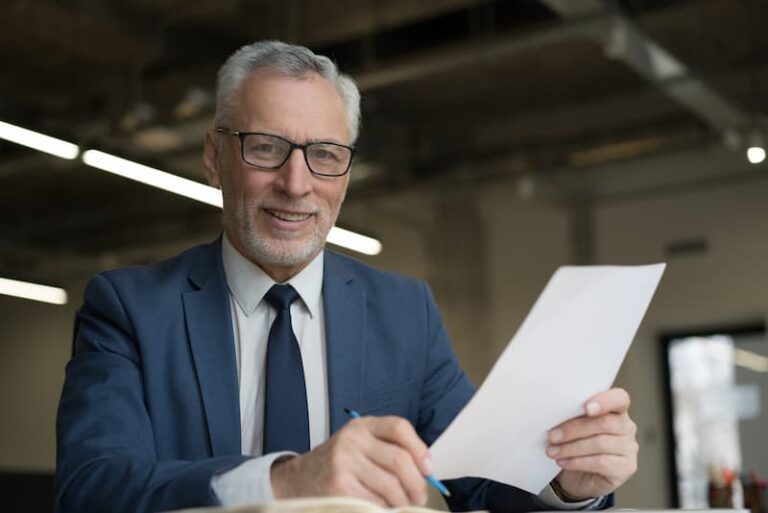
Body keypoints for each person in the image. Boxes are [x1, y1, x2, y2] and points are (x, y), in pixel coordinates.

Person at [55, 40, 638, 513]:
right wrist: (285, 480)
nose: (296, 182)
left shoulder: (405, 310)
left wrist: (567, 485)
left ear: (347, 170)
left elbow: (479, 481)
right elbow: (92, 490)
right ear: (214, 156)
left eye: (326, 154)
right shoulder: (129, 308)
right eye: (266, 148)